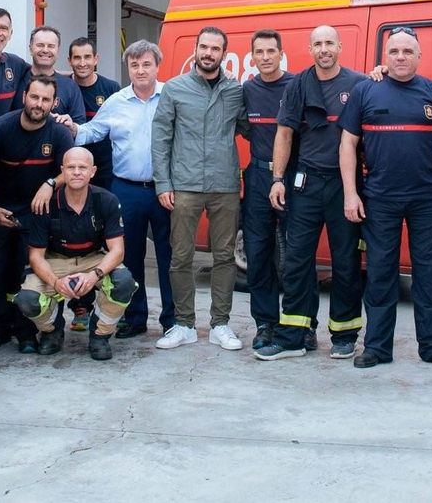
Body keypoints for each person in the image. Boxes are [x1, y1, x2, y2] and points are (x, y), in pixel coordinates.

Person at [340, 27, 432, 370]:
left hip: (427, 198)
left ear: (420, 56)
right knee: (379, 273)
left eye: (408, 51)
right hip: (380, 199)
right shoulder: (366, 90)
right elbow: (347, 143)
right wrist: (351, 194)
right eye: (394, 52)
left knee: (430, 274)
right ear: (384, 58)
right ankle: (377, 347)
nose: (401, 57)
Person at [255, 25, 364, 361]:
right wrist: (277, 179)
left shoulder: (359, 84)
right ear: (310, 49)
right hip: (304, 183)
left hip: (345, 185)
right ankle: (294, 336)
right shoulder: (300, 85)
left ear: (340, 46)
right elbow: (284, 134)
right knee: (298, 261)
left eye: (329, 43)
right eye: (317, 44)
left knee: (346, 261)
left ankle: (344, 335)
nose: (324, 49)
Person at [68, 40, 176, 339]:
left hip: (165, 190)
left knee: (170, 257)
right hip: (126, 190)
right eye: (134, 65)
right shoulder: (115, 101)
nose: (140, 70)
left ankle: (172, 321)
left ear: (157, 66)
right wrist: (72, 128)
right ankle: (135, 317)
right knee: (129, 257)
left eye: (146, 64)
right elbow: (93, 131)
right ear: (127, 68)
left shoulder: (172, 96)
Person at [151, 26, 247, 351]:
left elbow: (251, 128)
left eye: (215, 48)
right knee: (180, 256)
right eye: (203, 47)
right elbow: (161, 137)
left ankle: (221, 324)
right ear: (195, 50)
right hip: (184, 186)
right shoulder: (175, 89)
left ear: (224, 53)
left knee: (224, 258)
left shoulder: (236, 91)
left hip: (224, 186)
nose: (208, 53)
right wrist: (163, 182)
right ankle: (184, 324)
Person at [0, 77, 74, 353]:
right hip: (0, 212)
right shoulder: (1, 128)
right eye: (34, 97)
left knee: (29, 276)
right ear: (24, 98)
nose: (38, 104)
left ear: (53, 104)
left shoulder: (58, 133)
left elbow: (70, 169)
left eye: (45, 100)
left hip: (38, 216)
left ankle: (27, 332)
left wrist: (50, 184)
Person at [16, 147, 139, 360]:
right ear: (62, 171)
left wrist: (94, 276)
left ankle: (100, 334)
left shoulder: (106, 200)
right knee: (27, 299)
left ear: (92, 171)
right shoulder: (45, 204)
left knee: (124, 283)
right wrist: (56, 283)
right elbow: (36, 256)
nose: (76, 172)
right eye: (71, 167)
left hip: (93, 258)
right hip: (55, 260)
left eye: (82, 167)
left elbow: (117, 251)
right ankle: (52, 329)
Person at [236, 29, 291, 350]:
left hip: (292, 179)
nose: (266, 57)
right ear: (252, 57)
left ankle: (303, 323)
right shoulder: (247, 90)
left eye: (272, 51)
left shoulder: (296, 86)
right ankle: (265, 324)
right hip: (256, 178)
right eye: (260, 52)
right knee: (258, 255)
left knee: (297, 254)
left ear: (281, 54)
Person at [66, 36, 122, 329]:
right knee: (76, 237)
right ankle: (79, 307)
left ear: (96, 59)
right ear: (70, 62)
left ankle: (104, 302)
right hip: (74, 174)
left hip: (106, 174)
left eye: (88, 57)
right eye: (77, 58)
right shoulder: (66, 88)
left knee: (103, 238)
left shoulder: (111, 89)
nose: (83, 63)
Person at [16, 25, 87, 123]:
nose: (45, 50)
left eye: (51, 46)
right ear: (30, 49)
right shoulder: (16, 80)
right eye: (40, 45)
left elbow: (80, 125)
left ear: (58, 51)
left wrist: (72, 126)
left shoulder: (70, 87)